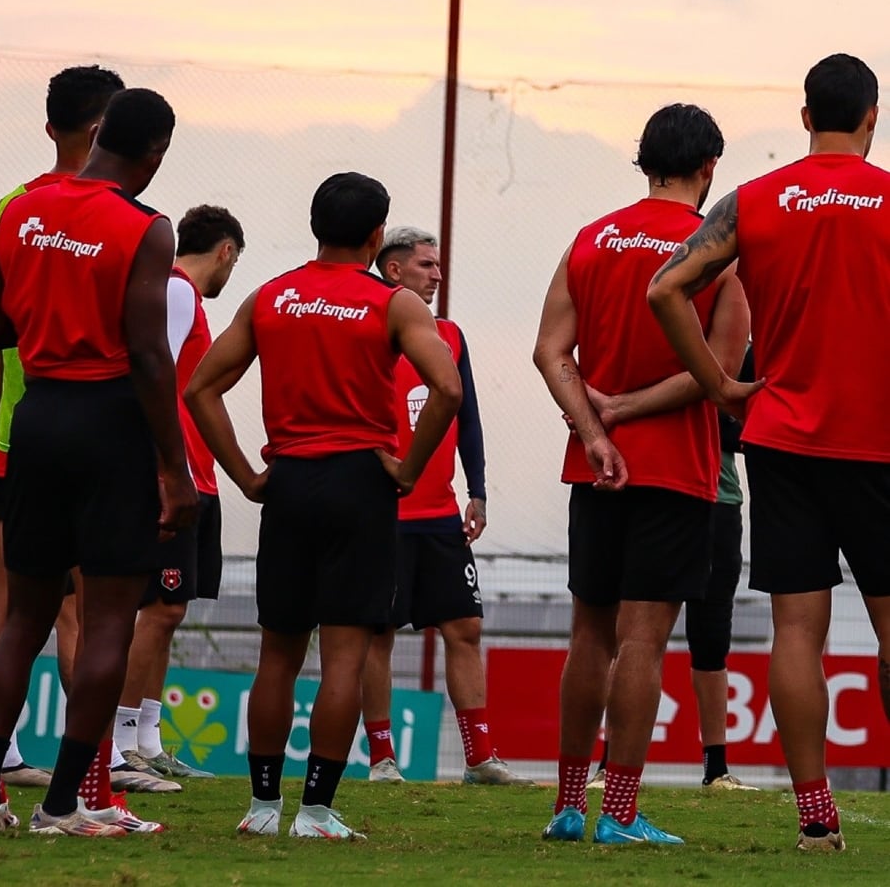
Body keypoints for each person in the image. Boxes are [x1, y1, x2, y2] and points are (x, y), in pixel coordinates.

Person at [648, 55, 890, 852]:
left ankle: (816, 817)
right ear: (872, 117)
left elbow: (664, 288)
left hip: (782, 439)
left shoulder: (753, 201)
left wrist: (719, 384)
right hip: (879, 442)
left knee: (796, 630)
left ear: (805, 117)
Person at [186, 171, 462, 840]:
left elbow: (198, 390)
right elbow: (448, 389)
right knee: (343, 657)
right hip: (360, 484)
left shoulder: (270, 296)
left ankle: (261, 808)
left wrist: (248, 477)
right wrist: (407, 470)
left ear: (315, 226)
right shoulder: (393, 303)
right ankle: (314, 812)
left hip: (289, 483)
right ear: (376, 235)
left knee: (277, 655)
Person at [0, 87, 195, 837]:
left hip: (37, 418)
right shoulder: (145, 226)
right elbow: (151, 356)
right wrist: (174, 469)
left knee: (23, 617)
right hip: (110, 422)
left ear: (98, 134)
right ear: (154, 152)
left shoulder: (20, 213)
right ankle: (63, 804)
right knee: (107, 624)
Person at [533, 103, 749, 846]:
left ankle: (568, 806)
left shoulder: (590, 238)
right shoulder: (716, 250)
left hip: (592, 469)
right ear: (709, 167)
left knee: (589, 636)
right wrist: (625, 410)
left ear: (643, 160)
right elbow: (720, 374)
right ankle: (620, 811)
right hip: (675, 468)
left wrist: (595, 431)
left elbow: (550, 351)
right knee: (643, 643)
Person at [0, 65, 126, 793]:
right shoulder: (120, 214)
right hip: (67, 434)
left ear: (51, 126)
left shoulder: (8, 210)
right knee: (72, 605)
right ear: (109, 130)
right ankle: (89, 775)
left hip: (15, 436)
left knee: (6, 600)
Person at [359, 226, 529, 787]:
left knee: (465, 628)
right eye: (426, 265)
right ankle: (382, 760)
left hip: (440, 516)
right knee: (377, 635)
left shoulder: (450, 335)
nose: (437, 274)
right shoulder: (367, 330)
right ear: (394, 270)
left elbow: (468, 415)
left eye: (437, 264)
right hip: (382, 515)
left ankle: (480, 759)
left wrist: (477, 489)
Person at [587, 345, 760, 795]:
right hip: (656, 493)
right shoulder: (654, 346)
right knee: (634, 634)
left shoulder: (740, 350)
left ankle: (716, 769)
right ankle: (608, 765)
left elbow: (745, 422)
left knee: (711, 636)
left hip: (718, 502)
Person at [114, 204, 244, 780]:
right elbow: (150, 374)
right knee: (156, 609)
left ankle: (147, 739)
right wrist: (167, 471)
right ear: (226, 251)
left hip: (195, 471)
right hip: (174, 474)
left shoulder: (181, 296)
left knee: (169, 611)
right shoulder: (176, 291)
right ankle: (119, 745)